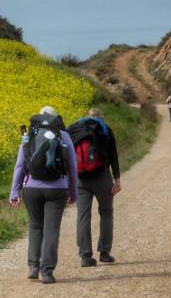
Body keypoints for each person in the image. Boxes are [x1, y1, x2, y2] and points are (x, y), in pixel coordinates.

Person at [9, 106, 78, 284]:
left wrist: (14, 191)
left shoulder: (29, 135)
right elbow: (72, 166)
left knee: (35, 227)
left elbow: (20, 165)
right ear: (56, 120)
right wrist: (73, 192)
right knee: (51, 229)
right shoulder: (64, 136)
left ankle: (33, 266)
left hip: (32, 188)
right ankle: (47, 272)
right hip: (57, 189)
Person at [68, 108, 122, 267]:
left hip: (80, 179)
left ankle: (85, 256)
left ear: (87, 116)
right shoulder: (105, 130)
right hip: (102, 177)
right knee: (106, 213)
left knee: (83, 215)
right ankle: (104, 253)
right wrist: (117, 180)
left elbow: (69, 157)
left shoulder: (75, 129)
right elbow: (113, 156)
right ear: (101, 118)